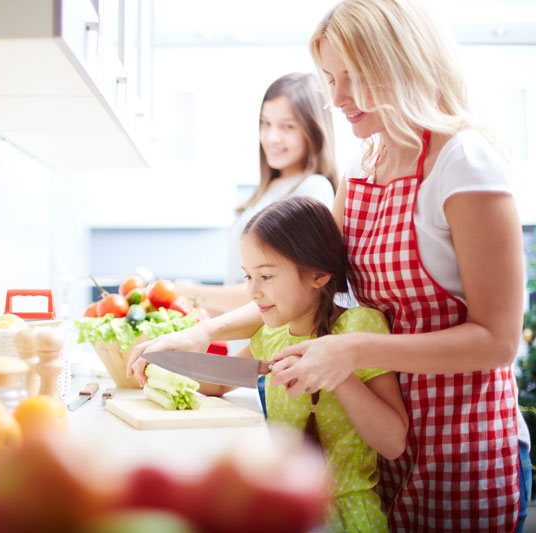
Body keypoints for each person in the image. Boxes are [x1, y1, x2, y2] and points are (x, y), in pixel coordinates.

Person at [129, 0, 530, 531]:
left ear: (401, 67)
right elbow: (303, 284)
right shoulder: (367, 166)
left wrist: (351, 350)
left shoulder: (464, 163)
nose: (336, 99)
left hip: (461, 441)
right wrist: (201, 334)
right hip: (379, 436)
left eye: (352, 78)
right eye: (329, 78)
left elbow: (498, 341)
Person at [197, 197, 411, 531]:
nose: (252, 291)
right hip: (285, 512)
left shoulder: (358, 327)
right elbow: (219, 381)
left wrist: (336, 372)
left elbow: (393, 443)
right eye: (247, 276)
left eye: (265, 276)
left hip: (348, 517)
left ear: (319, 275)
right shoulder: (272, 336)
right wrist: (155, 371)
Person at [174, 72, 338, 315]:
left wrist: (192, 292)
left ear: (314, 130)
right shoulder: (266, 191)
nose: (272, 137)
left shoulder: (313, 189)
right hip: (245, 343)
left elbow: (277, 289)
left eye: (287, 126)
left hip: (274, 347)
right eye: (266, 123)